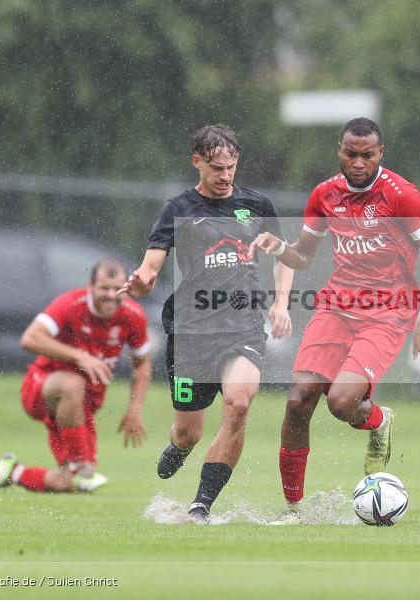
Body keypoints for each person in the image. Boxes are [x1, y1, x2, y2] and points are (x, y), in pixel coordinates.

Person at [247, 117, 420, 523]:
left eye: (367, 155)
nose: (358, 162)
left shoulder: (401, 196)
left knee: (341, 403)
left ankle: (378, 421)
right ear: (339, 150)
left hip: (387, 314)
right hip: (335, 307)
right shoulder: (325, 195)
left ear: (380, 154)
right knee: (298, 399)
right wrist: (279, 247)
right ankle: (293, 510)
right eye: (351, 153)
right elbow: (304, 256)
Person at [120, 124, 294, 523]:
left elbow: (286, 255)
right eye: (216, 167)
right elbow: (149, 268)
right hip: (191, 333)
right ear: (196, 162)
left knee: (238, 403)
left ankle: (201, 505)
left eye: (231, 166)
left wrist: (281, 303)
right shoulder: (178, 210)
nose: (225, 176)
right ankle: (180, 447)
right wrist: (141, 282)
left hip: (243, 327)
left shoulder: (258, 205)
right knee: (189, 432)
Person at [0, 259, 151, 494]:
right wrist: (80, 357)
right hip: (42, 387)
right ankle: (79, 468)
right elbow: (31, 338)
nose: (110, 294)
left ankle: (14, 472)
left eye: (117, 288)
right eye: (104, 287)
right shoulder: (71, 304)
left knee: (70, 484)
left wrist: (134, 410)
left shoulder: (133, 315)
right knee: (72, 383)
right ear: (90, 287)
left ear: (126, 289)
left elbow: (142, 364)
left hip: (81, 406)